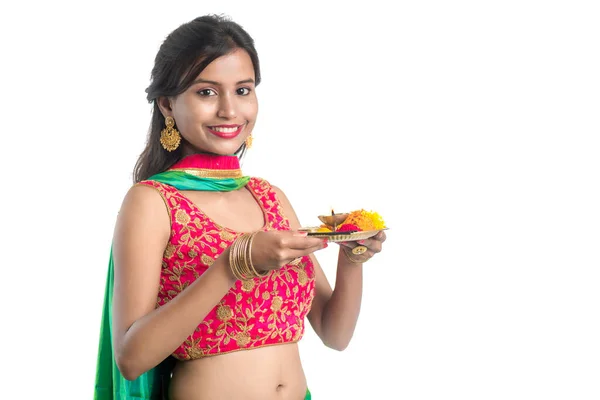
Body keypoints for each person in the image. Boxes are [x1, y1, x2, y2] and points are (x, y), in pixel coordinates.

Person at [94, 14, 387, 400]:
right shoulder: (152, 202)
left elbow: (335, 335)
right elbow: (131, 359)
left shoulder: (271, 197)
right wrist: (233, 265)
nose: (230, 111)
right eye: (206, 92)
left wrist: (352, 257)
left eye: (243, 90)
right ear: (167, 103)